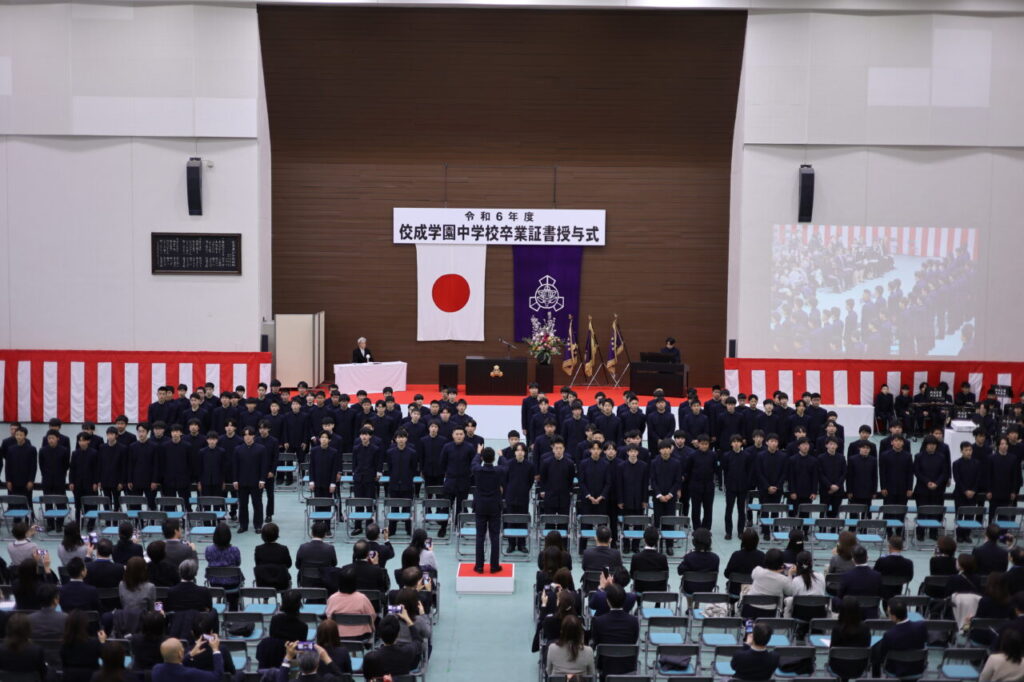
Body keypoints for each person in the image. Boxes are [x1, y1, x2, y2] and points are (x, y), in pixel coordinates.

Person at [589, 584, 640, 675]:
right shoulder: (634, 621)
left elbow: (595, 642)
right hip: (628, 666)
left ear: (607, 601)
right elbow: (633, 640)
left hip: (605, 666)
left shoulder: (598, 621)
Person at [870, 601, 927, 678]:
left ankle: (876, 678)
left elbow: (882, 656)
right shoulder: (921, 626)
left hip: (896, 669)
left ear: (894, 617)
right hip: (917, 668)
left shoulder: (889, 635)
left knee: (876, 655)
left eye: (889, 613)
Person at [472, 447, 502, 574]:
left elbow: (474, 462)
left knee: (480, 536)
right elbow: (506, 465)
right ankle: (494, 566)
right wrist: (502, 456)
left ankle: (479, 566)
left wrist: (478, 452)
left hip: (480, 506)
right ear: (494, 459)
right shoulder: (498, 470)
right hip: (494, 506)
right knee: (494, 537)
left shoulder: (477, 470)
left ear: (483, 458)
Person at [325, 565, 376, 640]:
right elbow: (372, 616)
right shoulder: (363, 598)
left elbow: (329, 617)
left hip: (338, 636)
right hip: (361, 636)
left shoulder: (332, 598)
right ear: (355, 582)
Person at [743, 548, 795, 618]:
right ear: (781, 564)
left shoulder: (757, 570)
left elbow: (753, 577)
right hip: (768, 614)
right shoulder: (783, 580)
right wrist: (790, 574)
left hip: (748, 611)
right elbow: (790, 592)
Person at [828, 595, 871, 680]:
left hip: (838, 667)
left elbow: (831, 650)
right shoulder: (865, 628)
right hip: (859, 667)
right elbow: (867, 646)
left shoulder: (837, 629)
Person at [204, 523, 242, 609]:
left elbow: (208, 559)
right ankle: (233, 611)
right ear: (229, 536)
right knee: (233, 596)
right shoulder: (235, 550)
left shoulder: (208, 550)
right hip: (232, 584)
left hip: (214, 583)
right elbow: (238, 563)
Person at [836, 545, 883, 616]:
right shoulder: (877, 576)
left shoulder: (847, 576)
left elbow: (840, 595)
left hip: (851, 614)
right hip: (871, 614)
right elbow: (880, 594)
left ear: (853, 559)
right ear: (867, 558)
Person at [151, 636, 223, 682]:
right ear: (180, 653)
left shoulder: (156, 669)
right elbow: (217, 676)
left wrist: (190, 654)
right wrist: (215, 649)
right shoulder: (190, 673)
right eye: (182, 647)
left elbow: (174, 664)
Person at [61, 610, 106, 682]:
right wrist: (103, 642)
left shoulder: (64, 644)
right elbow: (106, 657)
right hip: (91, 678)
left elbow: (64, 664)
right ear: (84, 624)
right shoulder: (94, 643)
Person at [0, 613, 47, 680]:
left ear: (8, 629)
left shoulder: (1, 650)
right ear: (28, 630)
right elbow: (43, 675)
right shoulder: (37, 651)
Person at [273, 640, 347, 682]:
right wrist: (326, 658)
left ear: (298, 663)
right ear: (317, 662)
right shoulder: (328, 679)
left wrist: (288, 657)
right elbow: (342, 679)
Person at [296, 521, 338, 586]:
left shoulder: (303, 547)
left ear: (312, 533)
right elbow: (334, 564)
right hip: (325, 584)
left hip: (306, 583)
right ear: (325, 534)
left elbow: (298, 565)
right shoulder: (330, 548)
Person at [677, 528, 719, 593]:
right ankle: (696, 603)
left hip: (690, 588)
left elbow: (680, 571)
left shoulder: (689, 557)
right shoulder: (715, 558)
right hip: (708, 589)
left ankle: (690, 603)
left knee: (688, 584)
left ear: (694, 542)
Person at [874, 535, 914, 603]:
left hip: (883, 591)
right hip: (898, 589)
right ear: (902, 548)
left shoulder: (881, 561)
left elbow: (874, 576)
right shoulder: (908, 563)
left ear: (889, 547)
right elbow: (909, 577)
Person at [725, 529, 765, 596]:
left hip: (735, 592)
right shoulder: (761, 556)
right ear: (757, 541)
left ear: (743, 541)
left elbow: (727, 574)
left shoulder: (735, 555)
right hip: (755, 593)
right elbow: (764, 576)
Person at [254, 522, 292, 590]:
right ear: (277, 535)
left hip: (263, 583)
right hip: (282, 583)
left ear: (262, 536)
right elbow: (289, 564)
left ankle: (265, 598)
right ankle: (284, 598)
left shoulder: (258, 549)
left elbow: (258, 565)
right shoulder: (283, 549)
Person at [629, 527, 668, 592]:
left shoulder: (636, 557)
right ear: (657, 540)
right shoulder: (662, 558)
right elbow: (666, 576)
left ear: (644, 539)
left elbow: (632, 575)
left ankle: (639, 602)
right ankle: (658, 602)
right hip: (658, 590)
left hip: (640, 589)